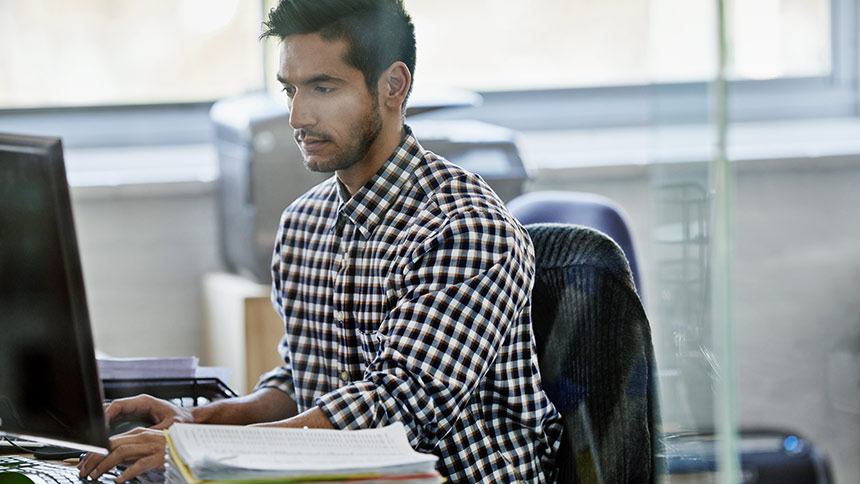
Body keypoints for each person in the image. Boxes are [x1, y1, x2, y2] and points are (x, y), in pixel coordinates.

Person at [78, 0, 562, 481]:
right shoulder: (302, 223)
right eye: (290, 90)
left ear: (393, 86)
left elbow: (395, 411)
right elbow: (301, 384)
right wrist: (196, 420)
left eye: (323, 88)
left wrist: (200, 448)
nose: (296, 117)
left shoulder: (465, 229)